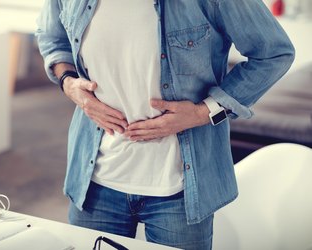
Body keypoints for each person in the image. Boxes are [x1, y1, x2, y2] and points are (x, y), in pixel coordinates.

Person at [36, 0, 294, 249]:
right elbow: (52, 37)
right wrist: (69, 83)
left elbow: (274, 53)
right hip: (94, 182)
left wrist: (203, 112)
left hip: (180, 191)